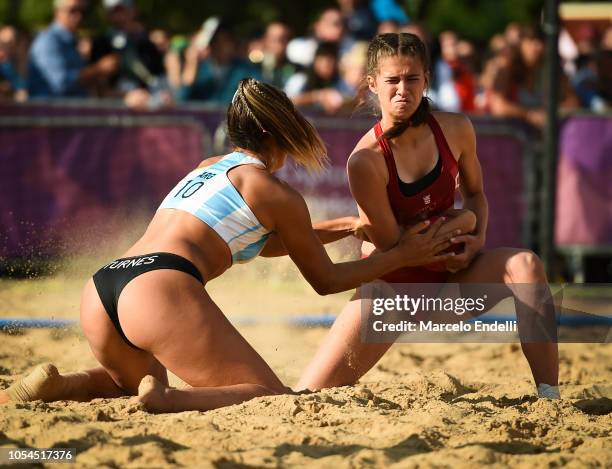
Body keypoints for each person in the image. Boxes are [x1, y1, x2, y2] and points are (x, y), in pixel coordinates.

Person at [0, 78, 458, 413]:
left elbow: (257, 243)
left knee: (136, 381)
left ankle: (57, 386)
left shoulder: (209, 165)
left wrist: (344, 226)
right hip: (157, 288)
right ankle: (170, 402)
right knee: (267, 396)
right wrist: (404, 255)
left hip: (103, 289)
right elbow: (325, 280)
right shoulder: (275, 192)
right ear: (276, 132)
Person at [296, 33, 560, 400]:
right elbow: (400, 246)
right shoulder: (366, 159)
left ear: (426, 80)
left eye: (411, 78)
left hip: (450, 282)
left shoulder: (456, 128)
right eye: (392, 80)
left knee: (527, 265)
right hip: (393, 293)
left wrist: (477, 236)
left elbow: (476, 195)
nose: (402, 89)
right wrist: (462, 224)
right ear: (372, 84)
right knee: (308, 393)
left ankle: (550, 397)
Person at [27, 0, 119, 98]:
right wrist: (99, 69)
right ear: (57, 12)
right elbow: (61, 83)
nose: (78, 17)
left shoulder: (72, 42)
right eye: (72, 10)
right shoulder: (48, 41)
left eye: (82, 12)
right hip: (49, 111)